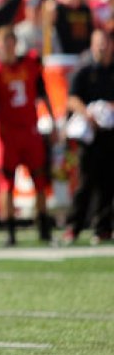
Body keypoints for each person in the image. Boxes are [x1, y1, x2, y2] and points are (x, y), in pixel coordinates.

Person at [0, 26, 55, 246]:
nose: (8, 49)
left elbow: (43, 92)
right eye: (4, 44)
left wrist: (54, 123)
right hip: (7, 133)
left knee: (40, 180)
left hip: (30, 130)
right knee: (6, 184)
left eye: (11, 43)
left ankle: (44, 228)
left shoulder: (30, 62)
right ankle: (10, 232)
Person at [62, 29, 114, 245]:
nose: (101, 47)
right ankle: (73, 227)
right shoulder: (84, 69)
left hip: (110, 133)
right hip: (90, 134)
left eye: (105, 43)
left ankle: (103, 228)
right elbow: (71, 99)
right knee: (85, 182)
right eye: (98, 43)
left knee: (108, 183)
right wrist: (87, 113)